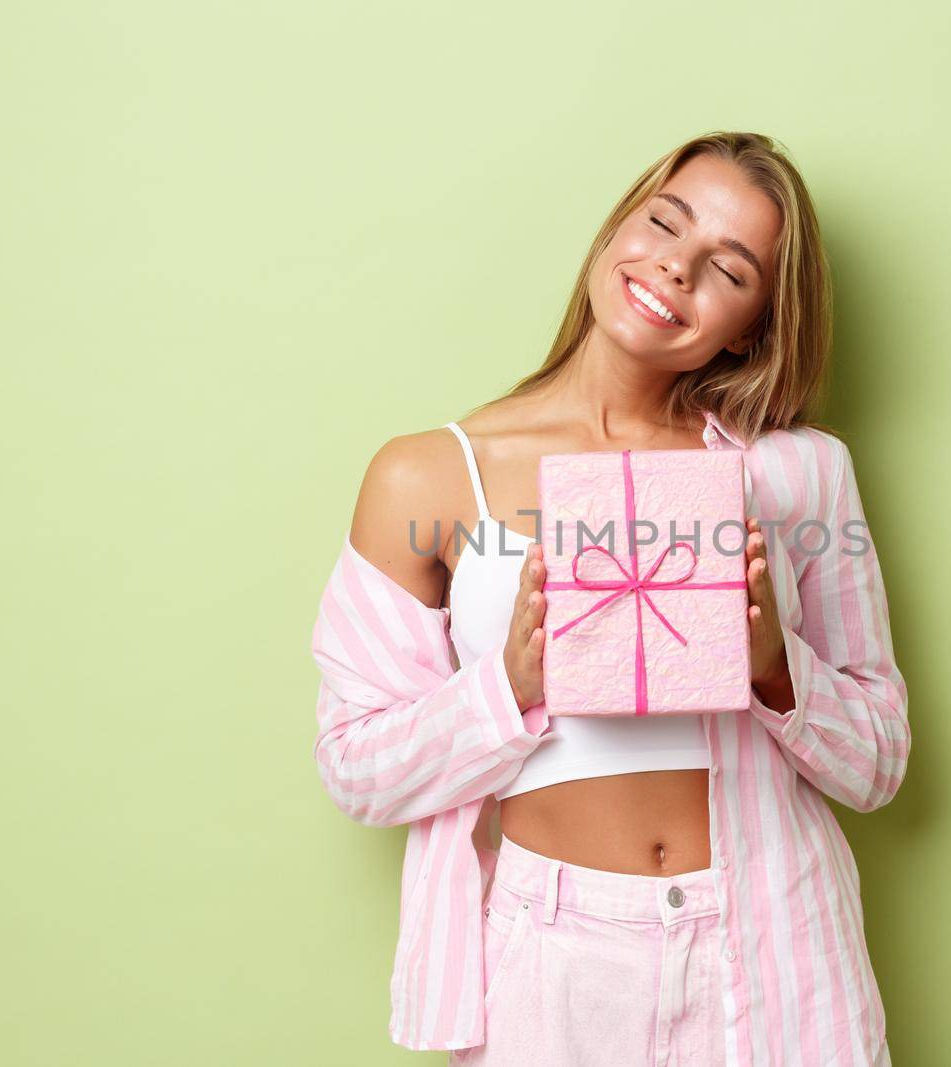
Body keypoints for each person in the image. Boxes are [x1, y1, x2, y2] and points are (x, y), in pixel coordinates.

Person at [310, 131, 910, 1066]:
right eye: (665, 222)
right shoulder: (426, 478)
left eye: (729, 269)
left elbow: (878, 761)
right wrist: (509, 683)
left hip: (774, 937)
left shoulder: (796, 476)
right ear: (614, 232)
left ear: (749, 325)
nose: (675, 265)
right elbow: (356, 766)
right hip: (553, 962)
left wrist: (772, 662)